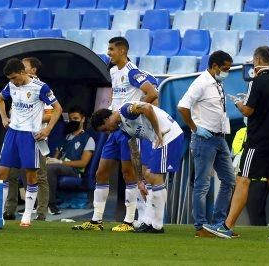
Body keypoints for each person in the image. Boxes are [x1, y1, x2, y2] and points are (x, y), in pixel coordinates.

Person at [205, 46, 269, 240]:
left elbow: (248, 111)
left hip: (258, 141)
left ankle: (226, 226)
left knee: (242, 180)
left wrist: (238, 103)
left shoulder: (257, 81)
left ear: (258, 60)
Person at [73, 36, 158, 232]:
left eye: (111, 49)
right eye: (108, 49)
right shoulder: (112, 71)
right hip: (114, 129)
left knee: (128, 174)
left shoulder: (132, 72)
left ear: (122, 51)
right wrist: (111, 111)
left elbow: (152, 94)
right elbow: (115, 97)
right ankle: (96, 221)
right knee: (100, 172)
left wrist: (133, 111)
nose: (108, 52)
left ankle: (128, 222)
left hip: (129, 129)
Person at [91, 101, 185, 233]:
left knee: (154, 176)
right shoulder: (124, 128)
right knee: (147, 176)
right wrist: (139, 180)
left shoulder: (125, 111)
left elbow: (147, 108)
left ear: (106, 119)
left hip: (168, 135)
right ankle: (148, 221)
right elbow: (134, 152)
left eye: (105, 128)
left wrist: (158, 131)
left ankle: (157, 225)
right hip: (158, 140)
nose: (108, 132)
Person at [0, 58, 63, 228]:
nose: (12, 82)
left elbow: (58, 109)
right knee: (2, 173)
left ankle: (27, 215)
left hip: (30, 135)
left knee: (31, 175)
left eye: (13, 78)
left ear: (22, 72)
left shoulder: (40, 87)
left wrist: (47, 130)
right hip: (12, 133)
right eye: (9, 79)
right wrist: (4, 117)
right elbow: (0, 99)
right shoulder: (11, 85)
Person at [177, 50, 235, 237]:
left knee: (229, 180)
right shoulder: (201, 83)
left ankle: (218, 224)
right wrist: (194, 128)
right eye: (225, 68)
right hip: (204, 139)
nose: (227, 72)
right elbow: (182, 106)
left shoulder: (217, 83)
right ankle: (200, 227)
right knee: (202, 184)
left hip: (219, 138)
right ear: (215, 66)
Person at [4, 57, 52, 221]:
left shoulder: (41, 88)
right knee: (10, 173)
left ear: (32, 70)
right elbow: (7, 103)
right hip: (16, 132)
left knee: (38, 175)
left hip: (35, 136)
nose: (21, 68)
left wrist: (39, 122)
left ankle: (41, 212)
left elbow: (52, 112)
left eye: (24, 66)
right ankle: (8, 210)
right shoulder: (15, 84)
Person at [46, 106, 94, 214]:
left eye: (76, 119)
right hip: (60, 167)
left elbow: (83, 163)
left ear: (83, 119)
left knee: (50, 169)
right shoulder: (66, 137)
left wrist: (61, 162)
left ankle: (52, 205)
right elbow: (55, 157)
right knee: (40, 165)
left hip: (75, 171)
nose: (73, 121)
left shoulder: (88, 139)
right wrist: (50, 160)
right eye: (71, 119)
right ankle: (37, 202)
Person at [232, 126, 269, 226]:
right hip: (240, 177)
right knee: (230, 208)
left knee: (256, 212)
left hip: (259, 178)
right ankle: (225, 229)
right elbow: (234, 153)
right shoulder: (240, 131)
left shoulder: (265, 131)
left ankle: (260, 236)